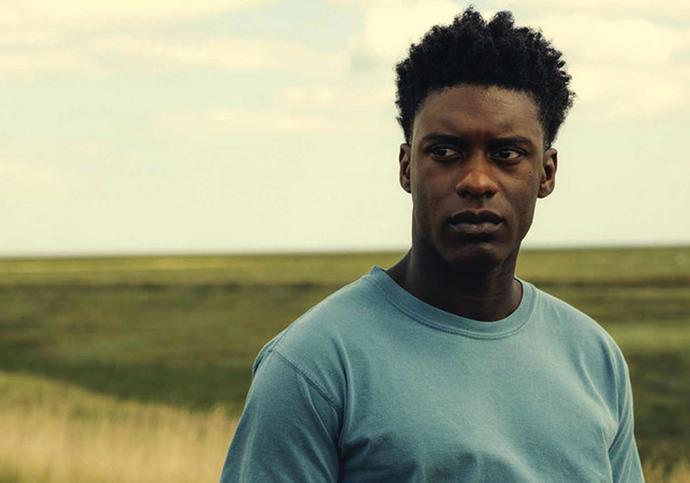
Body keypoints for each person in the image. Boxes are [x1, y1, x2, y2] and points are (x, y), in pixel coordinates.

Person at [220, 8, 645, 482]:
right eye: (445, 152)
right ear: (407, 167)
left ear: (546, 173)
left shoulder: (594, 357)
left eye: (507, 154)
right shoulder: (313, 365)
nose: (477, 180)